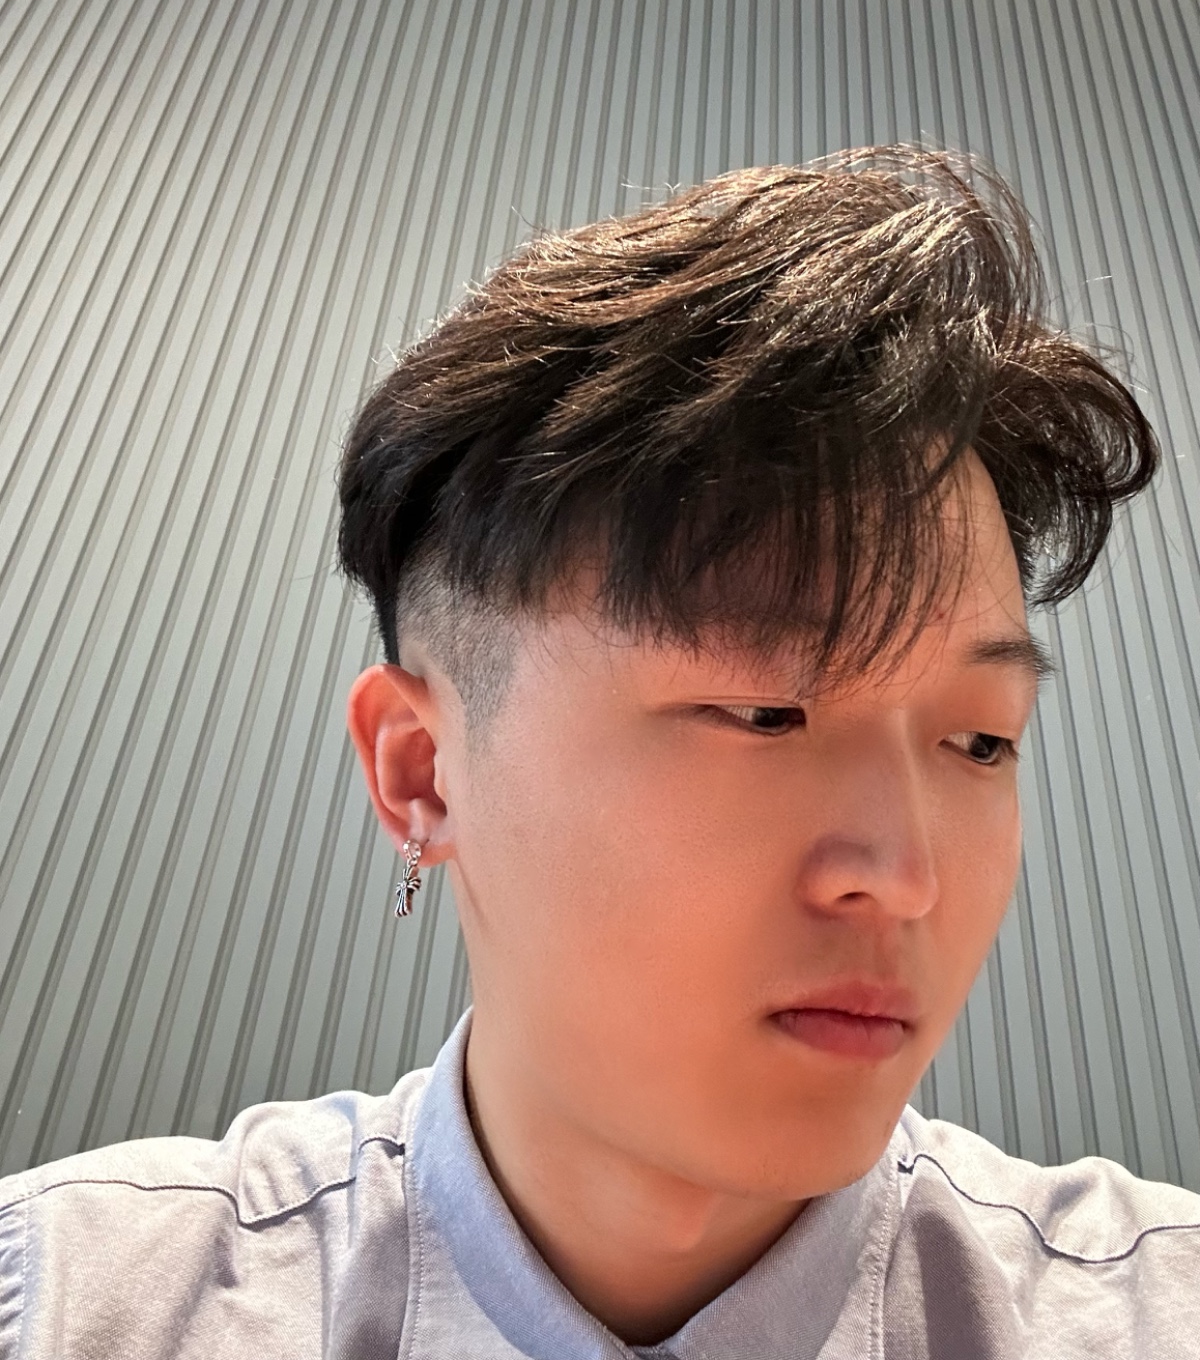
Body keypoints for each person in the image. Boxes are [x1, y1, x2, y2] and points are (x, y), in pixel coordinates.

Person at [1, 143, 1196, 1359]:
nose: (905, 876)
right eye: (764, 714)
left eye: (981, 740)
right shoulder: (78, 1301)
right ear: (421, 771)